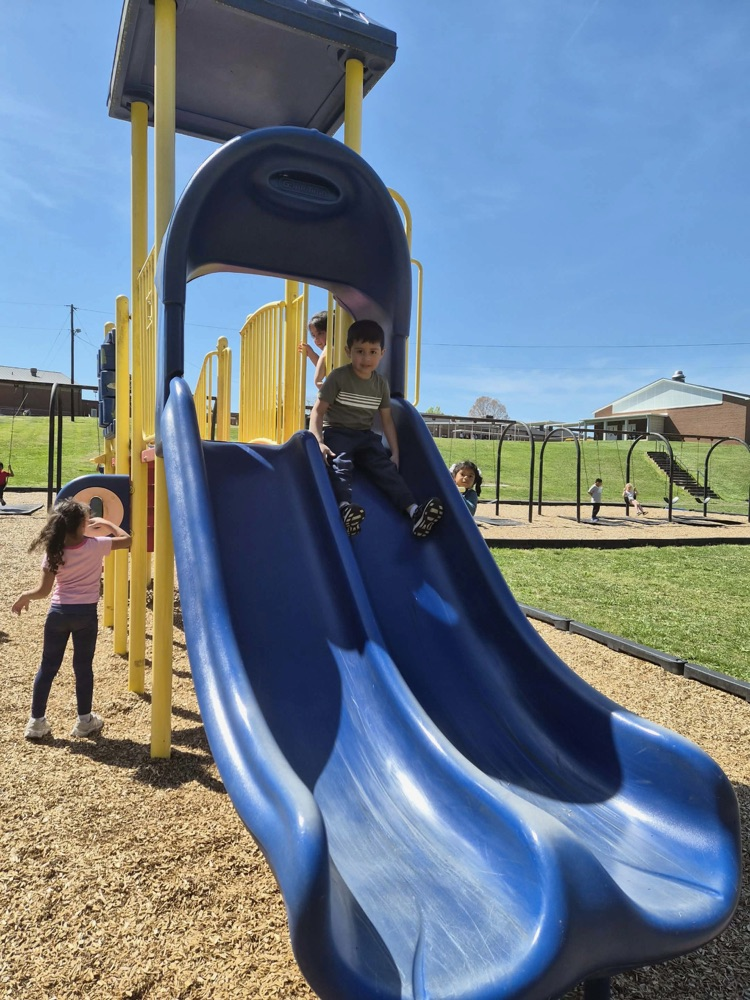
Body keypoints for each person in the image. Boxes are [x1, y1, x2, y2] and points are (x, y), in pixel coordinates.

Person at [309, 318, 444, 538]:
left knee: (385, 469)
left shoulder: (380, 384)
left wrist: (395, 452)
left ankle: (414, 512)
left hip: (364, 436)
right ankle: (344, 508)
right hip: (338, 431)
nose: (366, 358)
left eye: (373, 352)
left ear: (382, 353)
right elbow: (318, 411)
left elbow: (387, 420)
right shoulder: (338, 377)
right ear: (348, 351)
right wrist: (319, 440)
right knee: (340, 464)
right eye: (360, 351)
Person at [11, 498, 131, 740]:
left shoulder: (54, 551)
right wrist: (107, 523)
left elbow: (43, 591)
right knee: (83, 668)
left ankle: (36, 722)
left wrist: (25, 596)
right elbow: (128, 540)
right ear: (82, 524)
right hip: (85, 615)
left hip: (58, 613)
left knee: (47, 667)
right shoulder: (96, 544)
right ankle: (84, 721)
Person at [298, 310, 328, 390]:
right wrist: (311, 354)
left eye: (320, 333)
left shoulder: (328, 348)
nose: (316, 339)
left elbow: (318, 379)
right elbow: (324, 369)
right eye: (314, 335)